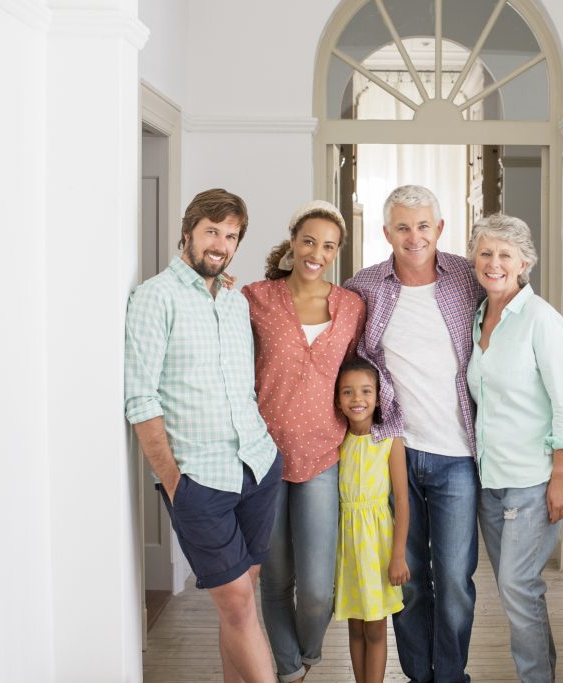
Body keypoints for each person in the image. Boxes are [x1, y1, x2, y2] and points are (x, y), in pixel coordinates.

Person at [124, 188, 280, 683]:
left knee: (239, 604)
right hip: (199, 480)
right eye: (212, 231)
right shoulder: (154, 297)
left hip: (256, 465)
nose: (220, 244)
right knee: (236, 603)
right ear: (188, 231)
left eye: (231, 236)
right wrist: (173, 482)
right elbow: (141, 401)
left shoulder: (234, 303)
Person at [344, 185, 483, 683]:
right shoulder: (365, 285)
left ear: (440, 229)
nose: (414, 236)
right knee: (407, 580)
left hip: (457, 456)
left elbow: (511, 292)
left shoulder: (467, 278)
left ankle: (449, 676)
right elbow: (326, 319)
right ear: (387, 233)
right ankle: (417, 677)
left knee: (453, 579)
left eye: (423, 225)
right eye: (403, 227)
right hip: (394, 452)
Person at [241, 200, 366, 683]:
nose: (317, 253)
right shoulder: (255, 297)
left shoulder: (350, 306)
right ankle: (291, 671)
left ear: (337, 253)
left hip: (321, 457)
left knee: (317, 588)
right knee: (275, 582)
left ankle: (307, 654)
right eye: (309, 241)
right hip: (262, 457)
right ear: (293, 241)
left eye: (329, 246)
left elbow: (357, 373)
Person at [465, 213, 563, 683]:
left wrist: (562, 478)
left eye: (505, 255)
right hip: (489, 480)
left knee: (516, 585)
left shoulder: (541, 320)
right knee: (519, 590)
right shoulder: (478, 315)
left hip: (532, 482)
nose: (494, 263)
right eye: (486, 253)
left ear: (524, 262)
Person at [333, 357, 410, 683]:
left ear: (379, 397)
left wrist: (398, 556)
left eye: (365, 391)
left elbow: (403, 502)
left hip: (378, 547)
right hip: (347, 548)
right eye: (347, 392)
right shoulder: (336, 444)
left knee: (376, 628)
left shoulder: (389, 443)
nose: (357, 399)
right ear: (338, 398)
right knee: (355, 625)